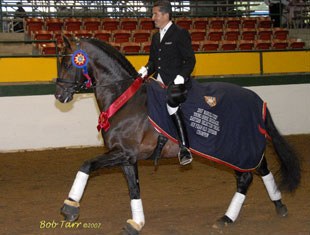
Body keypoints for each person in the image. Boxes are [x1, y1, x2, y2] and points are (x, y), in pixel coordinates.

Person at [138, 0, 196, 166]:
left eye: (155, 14)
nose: (153, 17)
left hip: (176, 82)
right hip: (159, 82)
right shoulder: (156, 37)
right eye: (153, 14)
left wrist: (181, 77)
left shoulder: (180, 33)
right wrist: (144, 70)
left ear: (165, 14)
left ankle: (185, 148)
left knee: (171, 104)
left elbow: (190, 60)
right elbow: (153, 63)